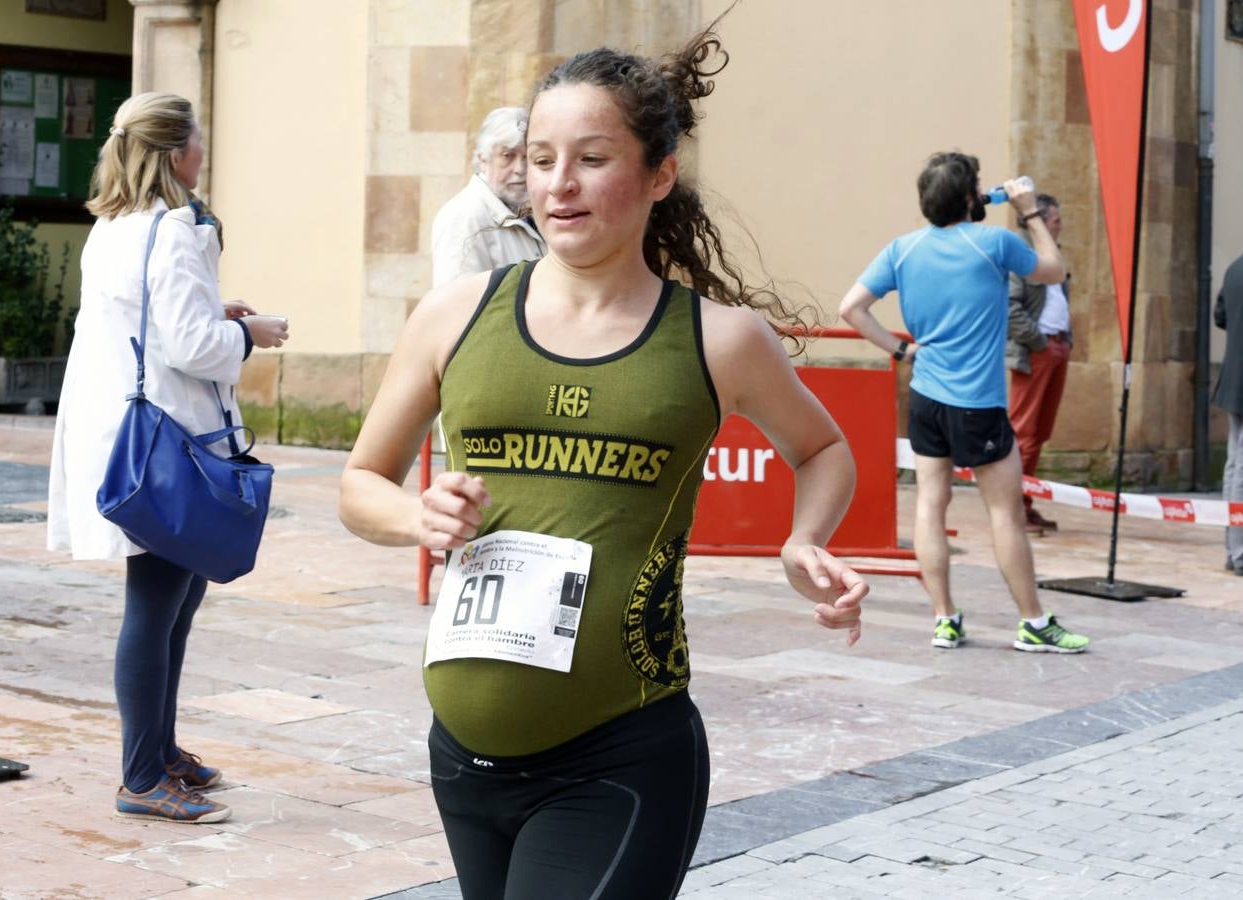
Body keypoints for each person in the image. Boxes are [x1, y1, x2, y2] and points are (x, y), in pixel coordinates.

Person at [338, 26, 865, 900]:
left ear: (659, 175)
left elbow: (821, 447)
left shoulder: (718, 339)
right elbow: (361, 485)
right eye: (540, 159)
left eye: (591, 158)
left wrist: (805, 539)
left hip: (620, 755)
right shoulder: (452, 316)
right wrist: (412, 516)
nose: (559, 184)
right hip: (462, 762)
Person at [46, 92, 289, 823]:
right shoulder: (174, 231)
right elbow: (191, 349)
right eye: (198, 140)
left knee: (174, 602)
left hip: (123, 432)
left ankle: (161, 751)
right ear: (177, 153)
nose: (205, 151)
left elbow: (146, 316)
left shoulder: (117, 226)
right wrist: (253, 335)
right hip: (163, 444)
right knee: (157, 607)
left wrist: (215, 310)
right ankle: (142, 776)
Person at [839, 152, 1089, 655]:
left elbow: (851, 308)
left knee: (931, 504)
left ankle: (944, 620)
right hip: (978, 403)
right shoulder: (994, 242)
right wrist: (1030, 211)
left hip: (927, 399)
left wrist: (902, 350)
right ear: (972, 197)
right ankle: (1033, 623)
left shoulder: (902, 250)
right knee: (1004, 514)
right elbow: (1054, 269)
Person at [1007, 193, 1070, 533]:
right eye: (1056, 220)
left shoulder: (1051, 257)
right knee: (1024, 433)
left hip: (1057, 348)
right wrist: (1039, 342)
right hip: (1037, 350)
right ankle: (1013, 509)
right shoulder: (1021, 256)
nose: (1060, 226)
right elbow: (1010, 308)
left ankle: (1025, 503)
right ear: (1039, 221)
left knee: (1039, 433)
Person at [430, 106, 547, 287]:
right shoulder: (464, 218)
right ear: (483, 160)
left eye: (528, 157)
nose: (521, 169)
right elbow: (459, 307)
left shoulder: (527, 209)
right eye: (507, 156)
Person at [1215, 252, 1243, 575]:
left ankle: (1232, 547)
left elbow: (1220, 316)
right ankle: (1239, 553)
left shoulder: (1234, 267)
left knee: (1234, 465)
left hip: (1234, 377)